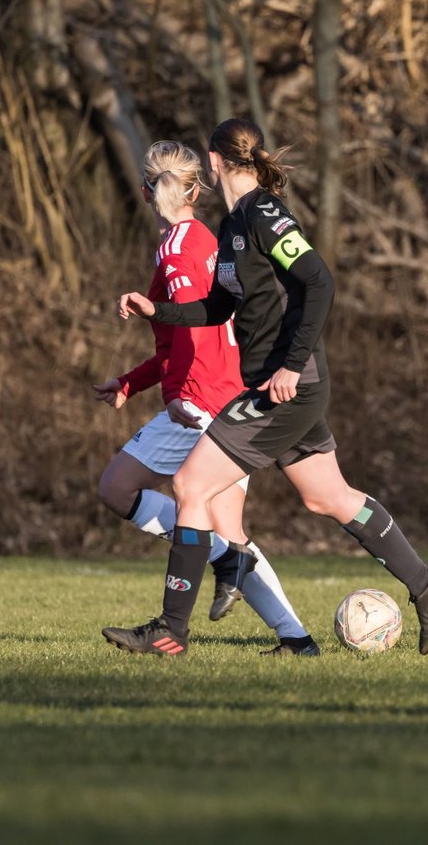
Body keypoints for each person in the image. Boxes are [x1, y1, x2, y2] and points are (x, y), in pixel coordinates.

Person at [108, 119, 428, 656]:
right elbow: (217, 308)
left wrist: (292, 365)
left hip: (287, 384)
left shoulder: (264, 212)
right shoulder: (232, 225)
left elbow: (319, 281)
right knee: (326, 497)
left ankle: (171, 630)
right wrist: (159, 309)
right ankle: (424, 583)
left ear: (215, 161)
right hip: (281, 384)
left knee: (191, 488)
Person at [96, 140, 318, 657]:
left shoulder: (178, 246)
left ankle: (216, 571)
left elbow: (198, 333)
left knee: (117, 488)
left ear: (151, 190)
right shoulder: (205, 239)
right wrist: (133, 382)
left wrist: (175, 394)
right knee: (226, 526)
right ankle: (296, 638)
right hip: (228, 391)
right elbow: (183, 331)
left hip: (202, 396)